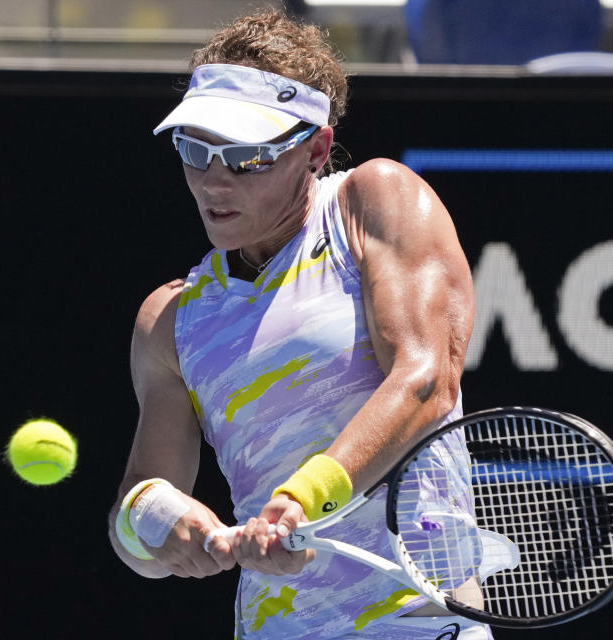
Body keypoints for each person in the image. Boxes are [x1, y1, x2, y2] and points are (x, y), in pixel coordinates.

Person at [107, 8, 484, 639]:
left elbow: (426, 380)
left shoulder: (373, 204)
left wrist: (301, 500)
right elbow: (135, 508)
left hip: (422, 625)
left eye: (247, 156)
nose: (212, 180)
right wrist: (165, 523)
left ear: (316, 149)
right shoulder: (171, 319)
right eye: (194, 149)